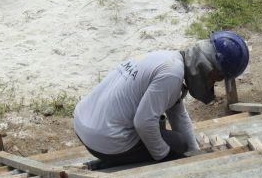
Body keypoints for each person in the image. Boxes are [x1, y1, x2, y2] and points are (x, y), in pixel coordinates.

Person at [73, 30, 249, 169]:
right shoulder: (172, 74)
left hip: (84, 123)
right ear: (207, 67)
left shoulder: (168, 59)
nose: (212, 84)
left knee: (174, 139)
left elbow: (178, 115)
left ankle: (120, 157)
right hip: (104, 139)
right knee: (176, 144)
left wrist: (194, 151)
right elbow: (143, 123)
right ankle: (117, 161)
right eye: (216, 79)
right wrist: (165, 156)